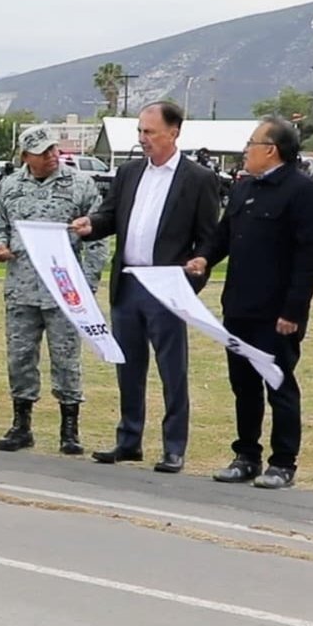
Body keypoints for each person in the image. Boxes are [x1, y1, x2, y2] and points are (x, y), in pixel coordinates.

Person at [71, 102, 220, 473]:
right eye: (140, 131)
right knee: (128, 366)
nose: (143, 139)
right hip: (129, 283)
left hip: (166, 287)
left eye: (150, 132)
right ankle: (129, 439)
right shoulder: (130, 171)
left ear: (174, 132)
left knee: (172, 370)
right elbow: (111, 215)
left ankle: (173, 446)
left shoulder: (197, 179)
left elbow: (209, 239)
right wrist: (93, 223)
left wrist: (193, 276)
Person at [185, 117, 313, 489]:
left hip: (277, 313)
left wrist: (293, 312)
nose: (245, 151)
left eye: (251, 143)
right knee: (243, 386)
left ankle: (283, 462)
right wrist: (204, 258)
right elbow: (223, 236)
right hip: (240, 307)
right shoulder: (245, 188)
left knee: (279, 385)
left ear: (271, 150)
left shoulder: (303, 192)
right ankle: (246, 455)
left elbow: (311, 258)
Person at [0, 130, 108, 454]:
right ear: (25, 156)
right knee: (20, 358)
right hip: (22, 288)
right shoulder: (10, 186)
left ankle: (70, 429)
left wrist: (87, 284)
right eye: (42, 151)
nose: (51, 155)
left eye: (53, 148)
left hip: (63, 290)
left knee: (66, 360)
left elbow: (97, 236)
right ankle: (21, 425)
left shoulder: (80, 185)